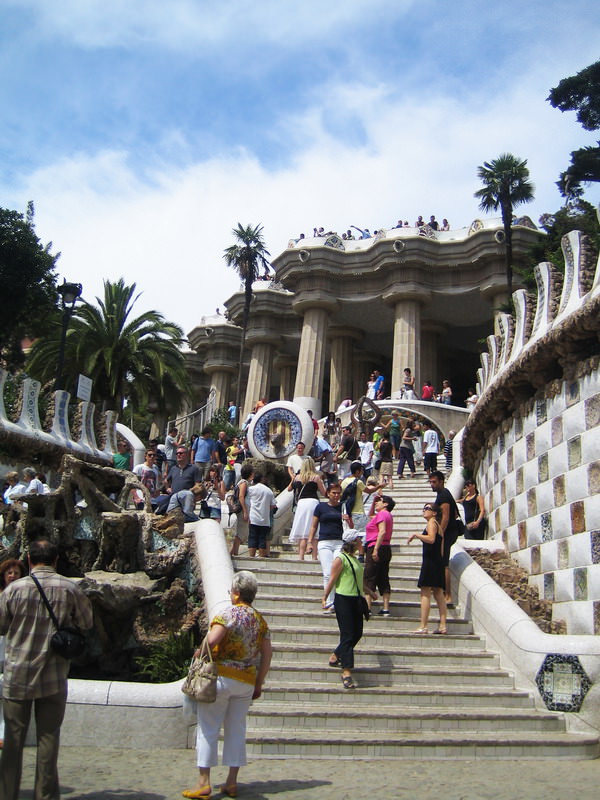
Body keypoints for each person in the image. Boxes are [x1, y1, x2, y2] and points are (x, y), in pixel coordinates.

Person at [0, 539, 93, 800]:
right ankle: (45, 796)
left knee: (13, 742)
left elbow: (1, 626)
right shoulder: (70, 587)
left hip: (18, 674)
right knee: (48, 738)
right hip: (54, 674)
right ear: (55, 560)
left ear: (29, 560)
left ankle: (7, 795)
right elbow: (87, 622)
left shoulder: (14, 589)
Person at [183, 570, 272, 800]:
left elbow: (212, 639)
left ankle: (204, 783)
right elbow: (268, 654)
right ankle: (232, 782)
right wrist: (259, 683)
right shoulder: (260, 620)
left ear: (236, 593)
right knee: (236, 730)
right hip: (246, 682)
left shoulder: (229, 613)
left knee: (208, 729)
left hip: (221, 678)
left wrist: (199, 654)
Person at [321, 540, 376, 690]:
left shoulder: (355, 560)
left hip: (357, 599)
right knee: (347, 634)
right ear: (353, 543)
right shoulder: (341, 559)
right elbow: (332, 578)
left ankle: (336, 655)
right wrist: (325, 596)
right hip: (344, 599)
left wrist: (370, 592)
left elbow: (358, 580)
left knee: (357, 633)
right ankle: (346, 671)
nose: (361, 543)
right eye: (358, 540)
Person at [307, 484, 349, 612]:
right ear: (328, 493)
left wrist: (347, 519)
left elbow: (350, 526)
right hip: (324, 542)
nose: (336, 496)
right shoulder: (320, 507)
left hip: (339, 542)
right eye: (334, 493)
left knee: (337, 572)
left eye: (338, 493)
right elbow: (314, 526)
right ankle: (330, 601)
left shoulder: (343, 507)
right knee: (327, 573)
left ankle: (337, 601)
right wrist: (310, 541)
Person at [408, 503, 447, 634]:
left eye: (428, 508)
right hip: (437, 561)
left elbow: (431, 539)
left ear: (434, 512)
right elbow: (441, 547)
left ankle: (423, 625)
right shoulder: (438, 526)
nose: (424, 511)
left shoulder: (432, 523)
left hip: (430, 561)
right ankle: (442, 625)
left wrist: (416, 535)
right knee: (438, 594)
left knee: (425, 592)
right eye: (424, 508)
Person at [0, 559, 26, 749]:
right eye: (9, 572)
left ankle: (3, 734)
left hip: (13, 648)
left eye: (16, 573)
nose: (12, 576)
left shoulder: (25, 595)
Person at [429, 470, 463, 602]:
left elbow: (446, 517)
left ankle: (447, 595)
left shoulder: (443, 495)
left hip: (447, 533)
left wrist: (439, 535)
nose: (432, 485)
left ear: (441, 482)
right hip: (449, 532)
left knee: (444, 564)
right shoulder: (444, 494)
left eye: (434, 482)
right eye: (431, 482)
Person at [288, 458, 326, 561]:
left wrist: (294, 477)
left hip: (301, 504)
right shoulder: (316, 477)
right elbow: (324, 493)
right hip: (313, 503)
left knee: (302, 531)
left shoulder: (298, 477)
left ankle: (301, 556)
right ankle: (314, 556)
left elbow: (289, 489)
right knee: (314, 530)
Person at [363, 495, 395, 616]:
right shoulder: (386, 515)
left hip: (376, 546)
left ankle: (368, 607)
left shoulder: (382, 514)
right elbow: (370, 515)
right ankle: (386, 607)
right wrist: (373, 503)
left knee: (369, 576)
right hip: (386, 548)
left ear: (385, 504)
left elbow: (382, 531)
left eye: (379, 501)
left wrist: (376, 549)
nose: (376, 503)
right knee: (383, 576)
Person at [246, 472, 276, 558]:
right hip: (265, 519)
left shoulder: (251, 489)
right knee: (262, 539)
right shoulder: (268, 491)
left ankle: (251, 556)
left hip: (253, 518)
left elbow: (247, 502)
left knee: (252, 537)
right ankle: (262, 557)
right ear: (261, 479)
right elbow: (272, 505)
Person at [230, 464, 253, 557]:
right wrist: (245, 511)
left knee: (239, 533)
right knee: (240, 533)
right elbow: (241, 497)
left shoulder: (240, 482)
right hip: (242, 510)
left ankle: (233, 552)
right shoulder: (244, 483)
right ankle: (235, 553)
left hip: (240, 510)